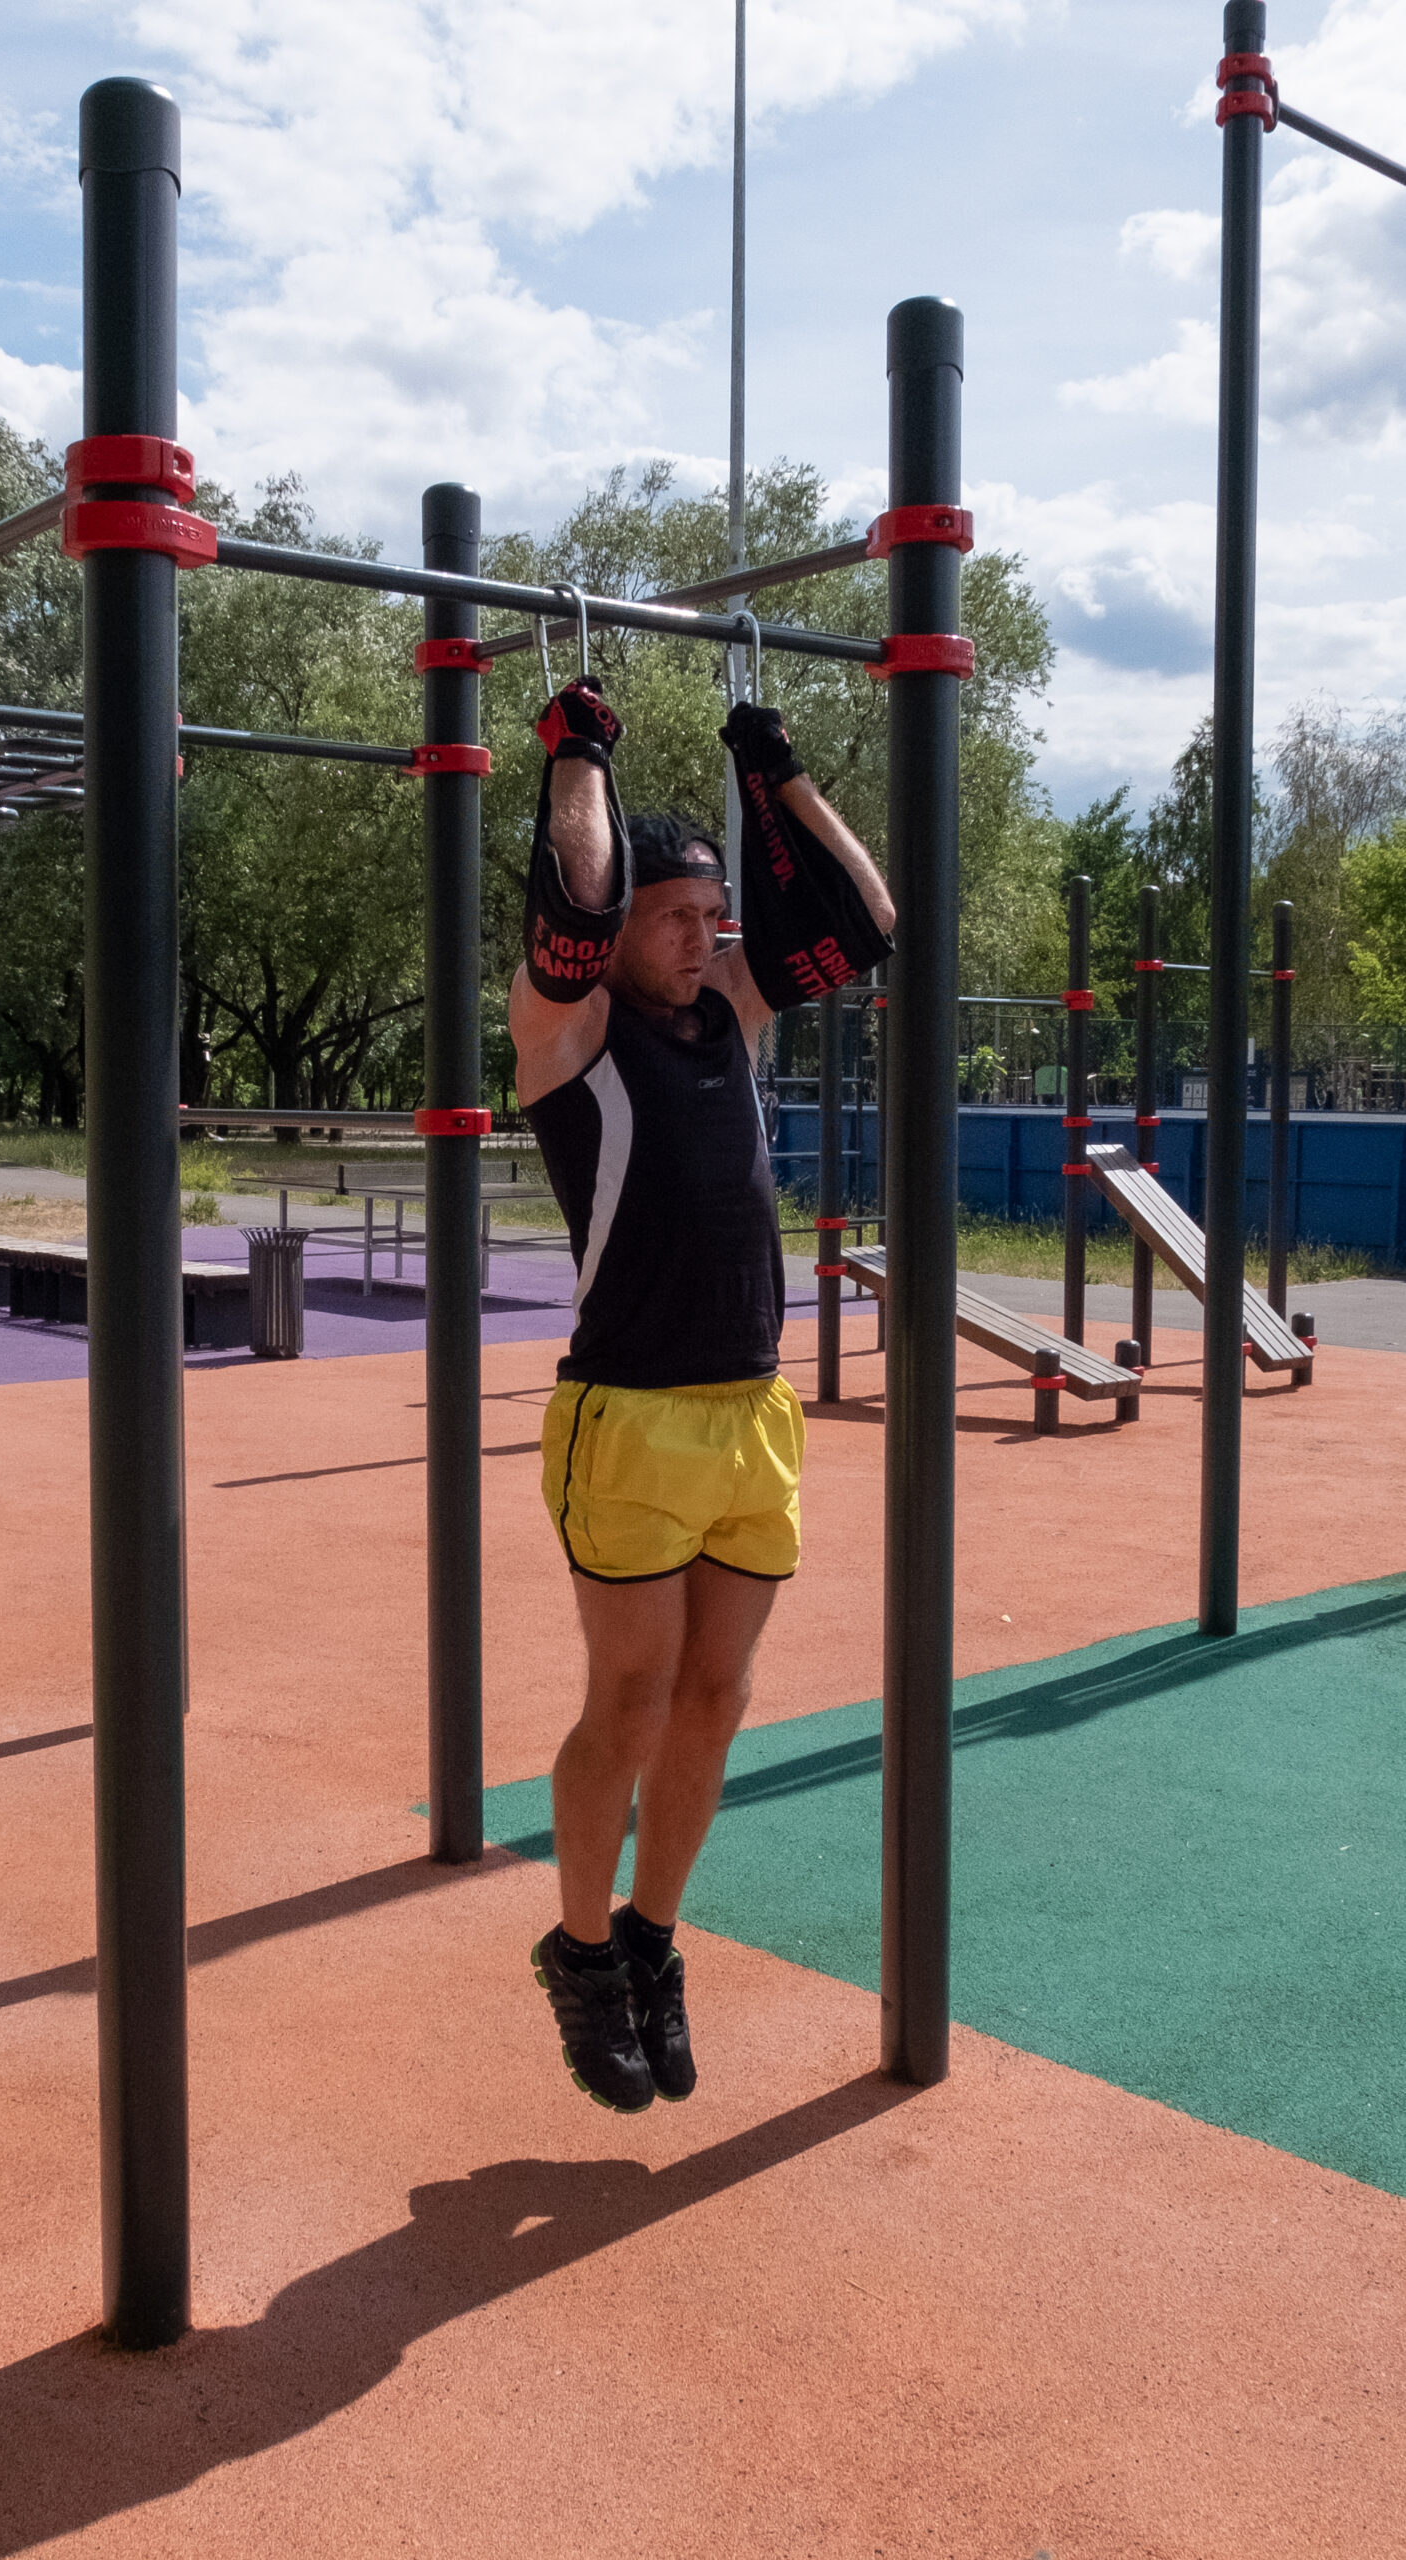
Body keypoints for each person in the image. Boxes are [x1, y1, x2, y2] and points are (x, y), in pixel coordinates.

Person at [510, 670, 894, 2112]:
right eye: (674, 915)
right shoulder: (567, 1031)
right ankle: (580, 1953)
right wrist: (580, 754)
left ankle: (654, 1943)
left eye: (713, 914)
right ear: (621, 931)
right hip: (629, 1415)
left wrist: (773, 765)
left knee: (717, 1697)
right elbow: (574, 897)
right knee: (629, 1698)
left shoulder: (733, 1012)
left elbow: (867, 922)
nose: (701, 935)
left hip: (752, 1412)